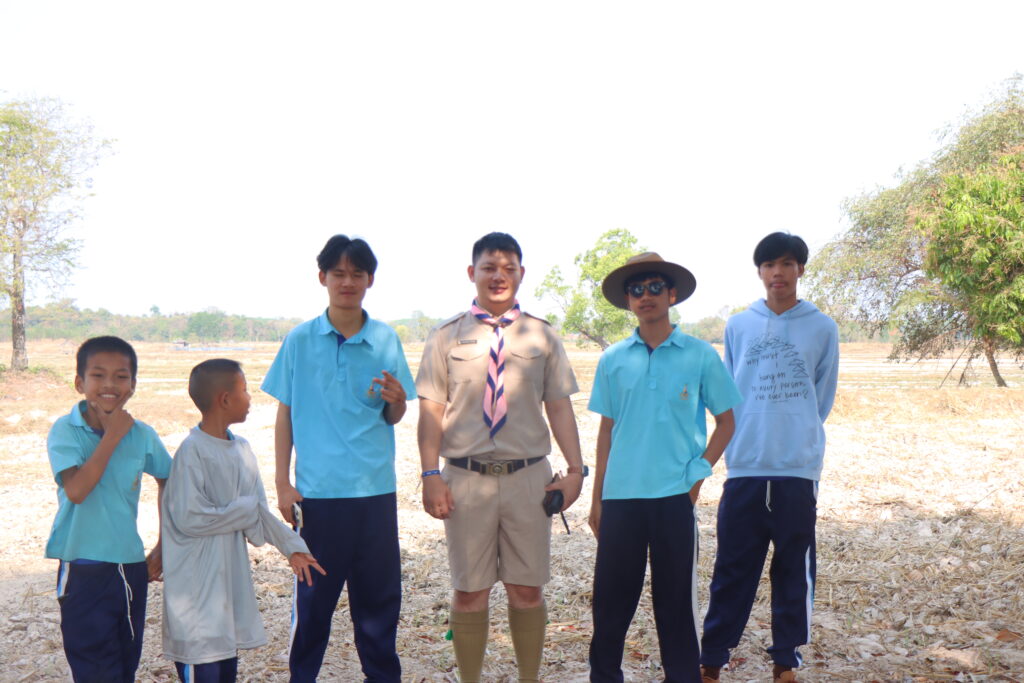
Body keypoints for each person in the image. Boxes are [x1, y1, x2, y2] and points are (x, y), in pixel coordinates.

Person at [416, 231, 585, 683]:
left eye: (508, 268)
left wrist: (575, 471)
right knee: (469, 591)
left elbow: (559, 407)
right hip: (465, 479)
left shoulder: (541, 335)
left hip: (528, 479)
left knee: (526, 590)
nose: (498, 276)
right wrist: (430, 474)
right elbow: (431, 412)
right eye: (489, 267)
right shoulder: (446, 336)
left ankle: (528, 677)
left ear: (521, 274)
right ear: (472, 273)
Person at [261, 234, 416, 683]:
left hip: (374, 491)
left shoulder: (385, 339)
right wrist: (283, 483)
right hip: (318, 495)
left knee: (379, 602)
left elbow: (393, 415)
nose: (348, 282)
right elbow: (285, 413)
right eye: (339, 273)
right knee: (313, 602)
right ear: (322, 277)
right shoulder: (300, 340)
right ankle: (302, 676)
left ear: (370, 280)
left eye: (357, 274)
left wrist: (398, 401)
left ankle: (382, 676)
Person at [586, 253, 742, 683]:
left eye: (655, 287)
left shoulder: (699, 355)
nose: (646, 296)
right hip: (621, 499)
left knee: (675, 607)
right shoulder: (613, 359)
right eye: (636, 289)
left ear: (671, 294)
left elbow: (727, 422)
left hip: (674, 497)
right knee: (610, 606)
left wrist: (698, 474)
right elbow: (607, 430)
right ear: (627, 300)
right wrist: (597, 499)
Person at [700, 233, 840, 683]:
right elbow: (728, 391)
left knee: (793, 567)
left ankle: (785, 660)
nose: (777, 272)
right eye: (768, 265)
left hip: (797, 467)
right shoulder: (739, 326)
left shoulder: (823, 328)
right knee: (732, 567)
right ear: (759, 271)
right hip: (745, 463)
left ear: (801, 269)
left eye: (786, 263)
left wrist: (795, 430)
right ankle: (712, 658)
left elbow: (821, 397)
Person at [161, 358, 325, 682]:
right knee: (201, 662)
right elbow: (190, 518)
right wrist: (244, 509)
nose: (250, 398)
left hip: (228, 583)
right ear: (224, 399)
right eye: (245, 390)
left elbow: (259, 512)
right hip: (195, 586)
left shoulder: (242, 450)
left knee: (225, 664)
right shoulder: (192, 451)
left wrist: (292, 547)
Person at [45, 335, 171, 682]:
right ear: (79, 382)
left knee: (125, 661)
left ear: (133, 384)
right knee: (92, 664)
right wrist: (113, 435)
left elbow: (169, 479)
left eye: (121, 376)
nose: (110, 385)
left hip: (130, 566)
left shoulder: (142, 435)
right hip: (82, 566)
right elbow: (76, 490)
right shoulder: (66, 430)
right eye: (98, 375)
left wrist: (163, 544)